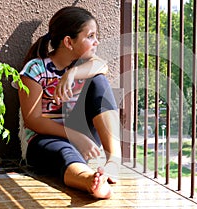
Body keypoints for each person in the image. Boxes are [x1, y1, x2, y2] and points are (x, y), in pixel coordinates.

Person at [17, 6, 121, 199]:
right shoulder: (36, 69)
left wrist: (72, 74)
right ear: (68, 42)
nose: (96, 41)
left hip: (82, 137)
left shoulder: (84, 66)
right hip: (43, 140)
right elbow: (32, 119)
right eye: (90, 36)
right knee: (64, 152)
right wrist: (75, 136)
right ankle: (91, 180)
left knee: (99, 80)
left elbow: (102, 65)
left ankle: (114, 160)